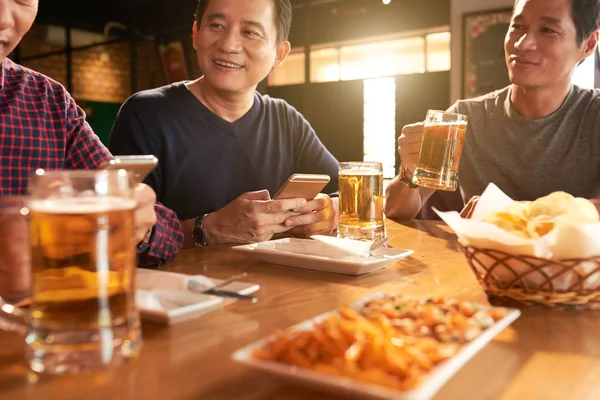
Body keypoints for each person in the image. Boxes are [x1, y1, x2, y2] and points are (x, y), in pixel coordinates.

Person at [108, 0, 339, 248]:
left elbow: (344, 191)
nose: (229, 45)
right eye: (217, 25)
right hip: (177, 284)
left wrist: (329, 211)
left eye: (250, 32)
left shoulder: (286, 120)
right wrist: (208, 229)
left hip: (276, 283)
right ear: (196, 35)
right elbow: (117, 230)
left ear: (279, 54)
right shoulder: (145, 114)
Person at [0, 0, 183, 298]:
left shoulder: (48, 101)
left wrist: (135, 224)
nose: (4, 19)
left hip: (45, 328)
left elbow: (167, 230)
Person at [385, 0, 600, 220]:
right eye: (518, 27)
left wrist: (510, 212)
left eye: (547, 30)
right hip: (483, 255)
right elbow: (394, 211)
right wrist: (410, 175)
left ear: (588, 44)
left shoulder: (594, 114)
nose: (523, 44)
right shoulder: (464, 120)